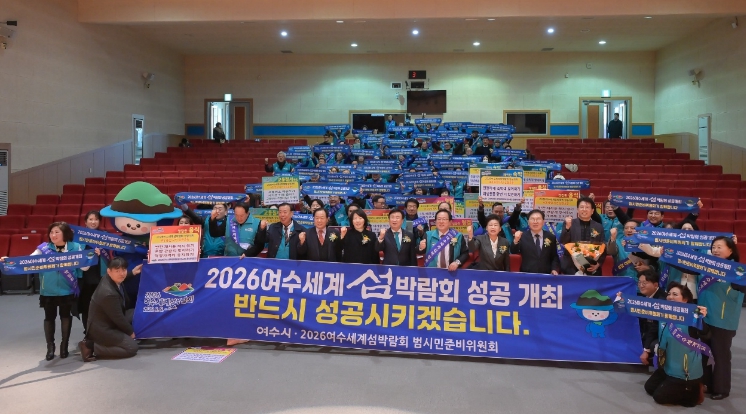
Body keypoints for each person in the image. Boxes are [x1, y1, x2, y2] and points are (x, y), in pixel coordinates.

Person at [0, 222, 92, 360]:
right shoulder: (43, 249)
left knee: (65, 317)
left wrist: (91, 257)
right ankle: (50, 347)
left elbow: (84, 268)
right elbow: (27, 261)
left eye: (57, 232)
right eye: (51, 232)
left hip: (67, 289)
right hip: (48, 290)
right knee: (49, 318)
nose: (53, 235)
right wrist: (9, 261)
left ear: (65, 233)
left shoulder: (76, 247)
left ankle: (64, 346)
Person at [644, 283, 708, 407]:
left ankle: (694, 391)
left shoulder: (692, 317)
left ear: (685, 299)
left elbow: (706, 334)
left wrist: (701, 318)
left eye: (675, 294)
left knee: (659, 397)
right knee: (649, 388)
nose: (670, 297)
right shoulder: (664, 314)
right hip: (667, 365)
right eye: (669, 294)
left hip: (684, 370)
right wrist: (623, 300)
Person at [699, 236, 743, 400]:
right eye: (713, 247)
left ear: (730, 250)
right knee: (704, 353)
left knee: (721, 355)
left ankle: (722, 389)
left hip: (723, 321)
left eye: (719, 247)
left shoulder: (737, 271)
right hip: (704, 317)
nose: (715, 250)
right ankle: (707, 384)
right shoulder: (706, 267)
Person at [78, 256, 138, 361]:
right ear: (109, 271)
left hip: (109, 321)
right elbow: (118, 318)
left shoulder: (110, 279)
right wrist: (130, 332)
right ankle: (92, 346)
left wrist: (132, 272)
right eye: (117, 271)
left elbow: (122, 278)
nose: (121, 273)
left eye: (124, 270)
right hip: (103, 329)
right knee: (132, 348)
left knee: (136, 313)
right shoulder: (108, 293)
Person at [78, 211, 109, 335]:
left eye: (96, 219)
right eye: (90, 219)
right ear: (85, 222)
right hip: (85, 276)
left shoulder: (105, 236)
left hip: (100, 274)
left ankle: (102, 332)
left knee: (102, 305)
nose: (93, 222)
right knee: (86, 305)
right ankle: (88, 332)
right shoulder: (79, 236)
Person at [559, 196, 607, 275]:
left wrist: (598, 264)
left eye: (587, 207)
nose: (584, 209)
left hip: (592, 266)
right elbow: (563, 242)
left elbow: (603, 247)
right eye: (581, 207)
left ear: (592, 211)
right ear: (577, 210)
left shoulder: (598, 226)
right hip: (571, 267)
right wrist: (567, 228)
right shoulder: (570, 223)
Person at [510, 210, 560, 274]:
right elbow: (513, 251)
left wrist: (554, 269)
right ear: (528, 222)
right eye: (532, 219)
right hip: (527, 274)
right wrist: (516, 240)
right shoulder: (522, 236)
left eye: (538, 219)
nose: (535, 222)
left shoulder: (551, 237)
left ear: (543, 222)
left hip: (546, 274)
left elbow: (554, 256)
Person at [637, 268, 667, 366]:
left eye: (644, 283)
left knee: (652, 345)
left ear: (655, 285)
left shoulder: (661, 300)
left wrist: (646, 350)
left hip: (661, 334)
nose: (641, 285)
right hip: (648, 330)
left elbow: (655, 326)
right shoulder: (643, 296)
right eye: (639, 282)